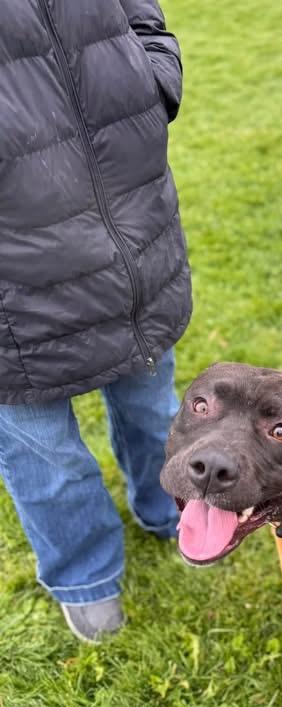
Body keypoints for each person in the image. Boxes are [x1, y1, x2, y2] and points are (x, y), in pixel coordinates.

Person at [0, 1, 192, 642]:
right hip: (11, 268)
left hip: (131, 219)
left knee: (151, 403)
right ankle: (86, 576)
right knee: (44, 450)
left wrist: (151, 79)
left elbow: (140, 13)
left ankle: (171, 510)